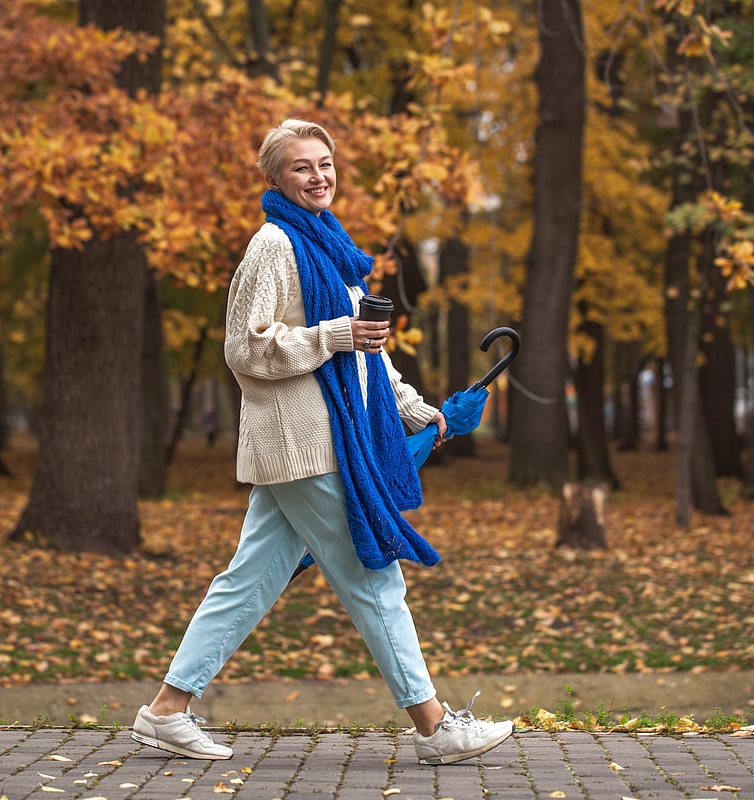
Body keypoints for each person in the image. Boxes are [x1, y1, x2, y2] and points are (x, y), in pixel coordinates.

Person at [130, 119, 513, 766]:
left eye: (326, 163)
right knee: (374, 577)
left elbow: (365, 352)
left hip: (319, 443)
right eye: (302, 166)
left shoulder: (330, 248)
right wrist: (331, 335)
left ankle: (166, 710)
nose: (319, 175)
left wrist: (418, 412)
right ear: (275, 178)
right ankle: (435, 727)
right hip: (304, 445)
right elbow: (244, 348)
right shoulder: (274, 246)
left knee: (247, 580)